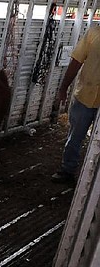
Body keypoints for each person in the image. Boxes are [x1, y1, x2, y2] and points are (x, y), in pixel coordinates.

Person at [51, 25, 100, 184]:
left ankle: (94, 182)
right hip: (84, 96)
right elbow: (77, 61)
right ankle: (67, 170)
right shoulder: (93, 33)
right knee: (74, 137)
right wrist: (63, 87)